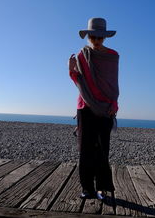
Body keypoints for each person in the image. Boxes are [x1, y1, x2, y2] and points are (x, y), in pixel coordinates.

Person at [68, 17, 119, 200]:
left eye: (100, 38)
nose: (96, 41)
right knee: (85, 150)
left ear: (105, 37)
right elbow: (80, 82)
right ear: (89, 37)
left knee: (102, 150)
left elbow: (113, 84)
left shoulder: (112, 56)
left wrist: (114, 104)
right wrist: (72, 71)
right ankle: (87, 188)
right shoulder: (82, 55)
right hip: (85, 107)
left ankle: (102, 188)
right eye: (93, 38)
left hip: (106, 108)